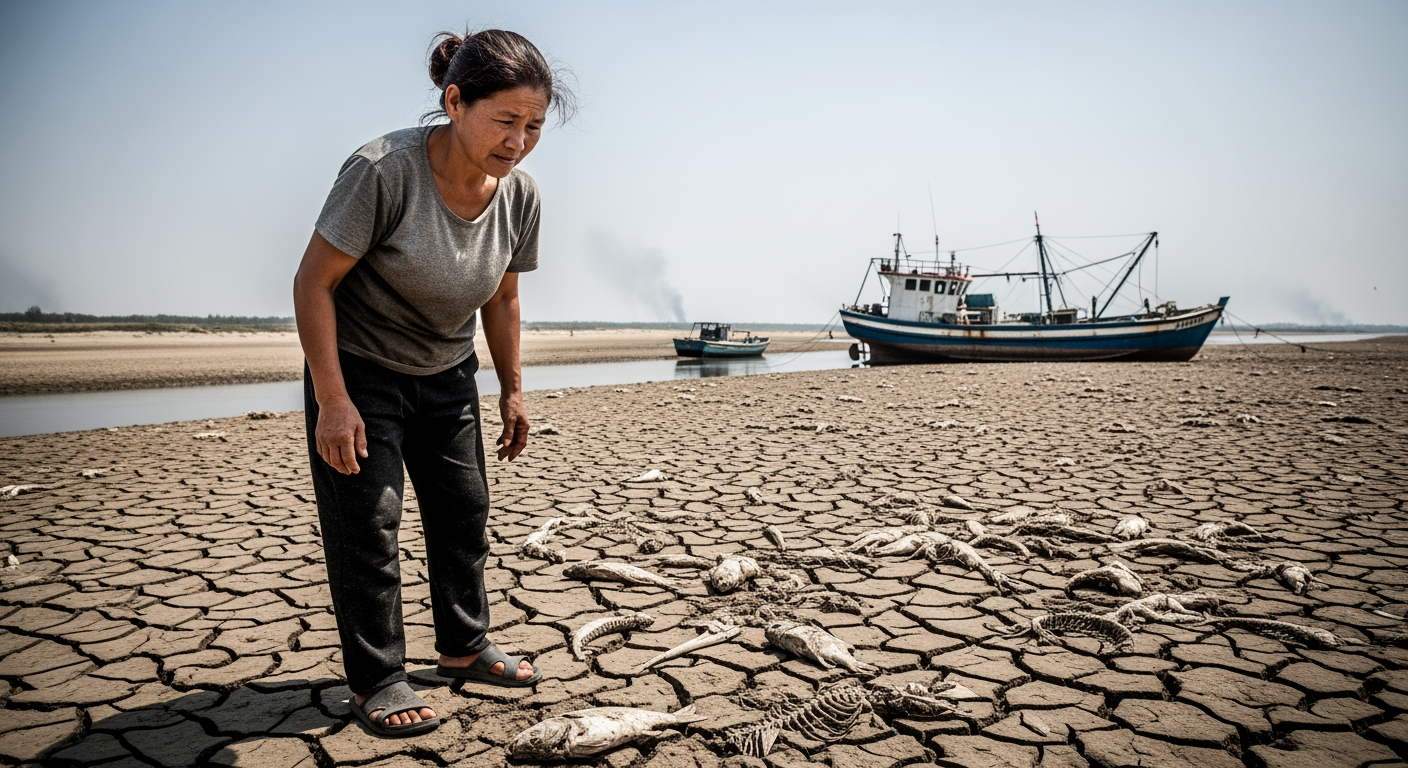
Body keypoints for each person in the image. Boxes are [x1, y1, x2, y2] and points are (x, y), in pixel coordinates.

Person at [292, 29, 573, 737]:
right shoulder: (383, 171)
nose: (519, 141)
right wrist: (332, 399)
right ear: (454, 100)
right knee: (370, 523)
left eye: (534, 126)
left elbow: (502, 298)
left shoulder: (521, 197)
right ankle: (379, 679)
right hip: (359, 369)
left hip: (447, 372)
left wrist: (511, 387)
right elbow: (312, 283)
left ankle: (463, 646)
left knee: (462, 513)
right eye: (504, 121)